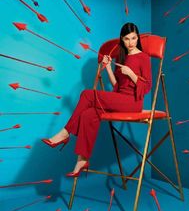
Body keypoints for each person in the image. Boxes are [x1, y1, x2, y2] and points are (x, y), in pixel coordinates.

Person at [42, 22, 152, 177]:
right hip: (120, 98)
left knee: (87, 94)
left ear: (138, 37)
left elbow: (147, 87)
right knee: (89, 114)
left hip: (133, 102)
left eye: (133, 38)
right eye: (126, 39)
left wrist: (131, 74)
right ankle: (82, 160)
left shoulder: (143, 58)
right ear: (122, 39)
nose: (131, 42)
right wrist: (107, 67)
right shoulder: (122, 57)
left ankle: (66, 132)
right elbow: (117, 87)